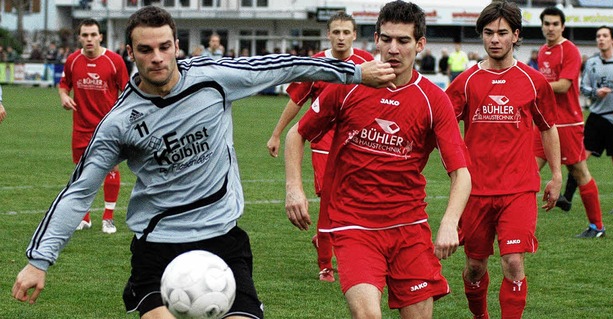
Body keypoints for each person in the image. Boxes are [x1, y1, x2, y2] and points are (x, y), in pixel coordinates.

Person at [11, 5, 396, 319]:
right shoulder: (119, 123)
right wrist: (39, 261)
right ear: (131, 52)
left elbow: (284, 66)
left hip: (221, 239)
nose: (157, 57)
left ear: (177, 44)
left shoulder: (214, 77)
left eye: (164, 46)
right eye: (145, 50)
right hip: (157, 247)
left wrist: (355, 72)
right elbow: (79, 191)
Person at [285, 1, 471, 318]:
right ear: (376, 39)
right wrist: (293, 188)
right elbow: (296, 135)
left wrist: (450, 222)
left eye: (403, 41)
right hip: (353, 225)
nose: (393, 49)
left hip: (409, 228)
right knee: (367, 315)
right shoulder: (349, 86)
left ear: (420, 45)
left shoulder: (433, 99)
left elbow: (461, 173)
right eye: (386, 39)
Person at [445, 1, 561, 318]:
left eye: (502, 33)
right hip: (475, 190)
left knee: (513, 261)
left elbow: (549, 128)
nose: (495, 39)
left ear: (516, 36)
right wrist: (454, 167)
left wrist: (556, 175)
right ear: (481, 36)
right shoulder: (466, 82)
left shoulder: (533, 81)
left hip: (519, 188)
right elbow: (442, 127)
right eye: (488, 33)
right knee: (474, 267)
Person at [266, 10, 374, 283]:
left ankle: (326, 239)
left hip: (358, 144)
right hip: (324, 144)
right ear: (328, 34)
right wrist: (277, 133)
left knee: (355, 201)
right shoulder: (314, 65)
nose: (340, 37)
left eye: (346, 32)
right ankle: (326, 265)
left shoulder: (367, 62)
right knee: (328, 202)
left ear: (354, 35)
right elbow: (296, 101)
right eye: (335, 32)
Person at [536, 7, 606, 238]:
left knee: (579, 171)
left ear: (563, 26)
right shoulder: (543, 51)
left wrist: (532, 86)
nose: (551, 27)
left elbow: (565, 85)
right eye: (547, 23)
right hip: (544, 122)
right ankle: (513, 224)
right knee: (528, 169)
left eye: (555, 24)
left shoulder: (570, 50)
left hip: (567, 123)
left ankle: (597, 227)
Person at [57, 18, 130, 234]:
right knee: (82, 173)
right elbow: (64, 85)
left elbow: (126, 92)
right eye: (85, 35)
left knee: (111, 168)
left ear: (100, 36)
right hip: (81, 127)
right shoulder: (72, 60)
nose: (89, 39)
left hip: (108, 127)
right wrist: (63, 96)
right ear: (79, 37)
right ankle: (85, 217)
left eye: (93, 35)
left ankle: (108, 217)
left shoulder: (114, 61)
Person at [564, 25, 613, 215]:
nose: (601, 39)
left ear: (612, 39)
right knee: (579, 158)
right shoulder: (591, 63)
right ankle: (566, 198)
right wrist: (596, 93)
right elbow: (584, 88)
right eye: (598, 36)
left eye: (605, 36)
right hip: (596, 117)